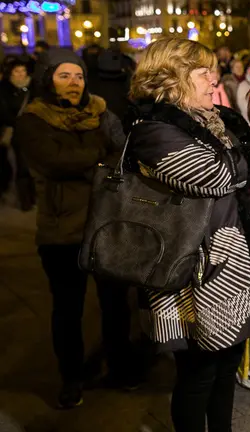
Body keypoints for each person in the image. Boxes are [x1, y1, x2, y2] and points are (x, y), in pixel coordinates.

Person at [126, 37, 250, 431]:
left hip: (233, 264)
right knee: (198, 373)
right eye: (202, 72)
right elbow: (213, 175)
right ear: (171, 77)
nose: (213, 79)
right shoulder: (154, 129)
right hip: (194, 271)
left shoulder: (215, 118)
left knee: (227, 366)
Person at [13, 48, 135, 409]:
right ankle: (71, 378)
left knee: (115, 304)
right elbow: (54, 162)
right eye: (64, 75)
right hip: (61, 233)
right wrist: (101, 161)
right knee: (68, 310)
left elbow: (124, 151)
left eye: (78, 76)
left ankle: (121, 367)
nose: (73, 83)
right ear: (47, 78)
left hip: (105, 226)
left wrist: (102, 161)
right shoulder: (33, 118)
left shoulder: (100, 112)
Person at [0, 59, 34, 210]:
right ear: (11, 73)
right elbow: (4, 112)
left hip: (35, 134)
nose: (20, 75)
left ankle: (33, 197)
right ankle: (25, 200)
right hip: (18, 134)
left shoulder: (34, 87)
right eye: (17, 72)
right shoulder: (5, 89)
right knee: (22, 166)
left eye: (23, 71)